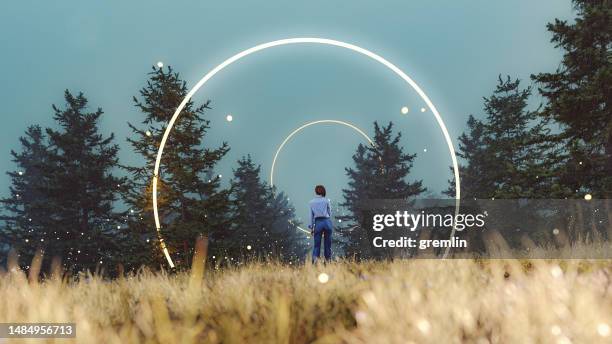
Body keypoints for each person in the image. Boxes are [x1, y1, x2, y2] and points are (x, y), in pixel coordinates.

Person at [308, 185, 333, 263]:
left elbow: (311, 216)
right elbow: (330, 212)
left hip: (318, 223)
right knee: (327, 245)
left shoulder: (311, 202)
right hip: (327, 222)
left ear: (316, 191)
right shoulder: (326, 201)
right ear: (323, 191)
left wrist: (311, 227)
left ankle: (315, 263)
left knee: (317, 245)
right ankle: (327, 262)